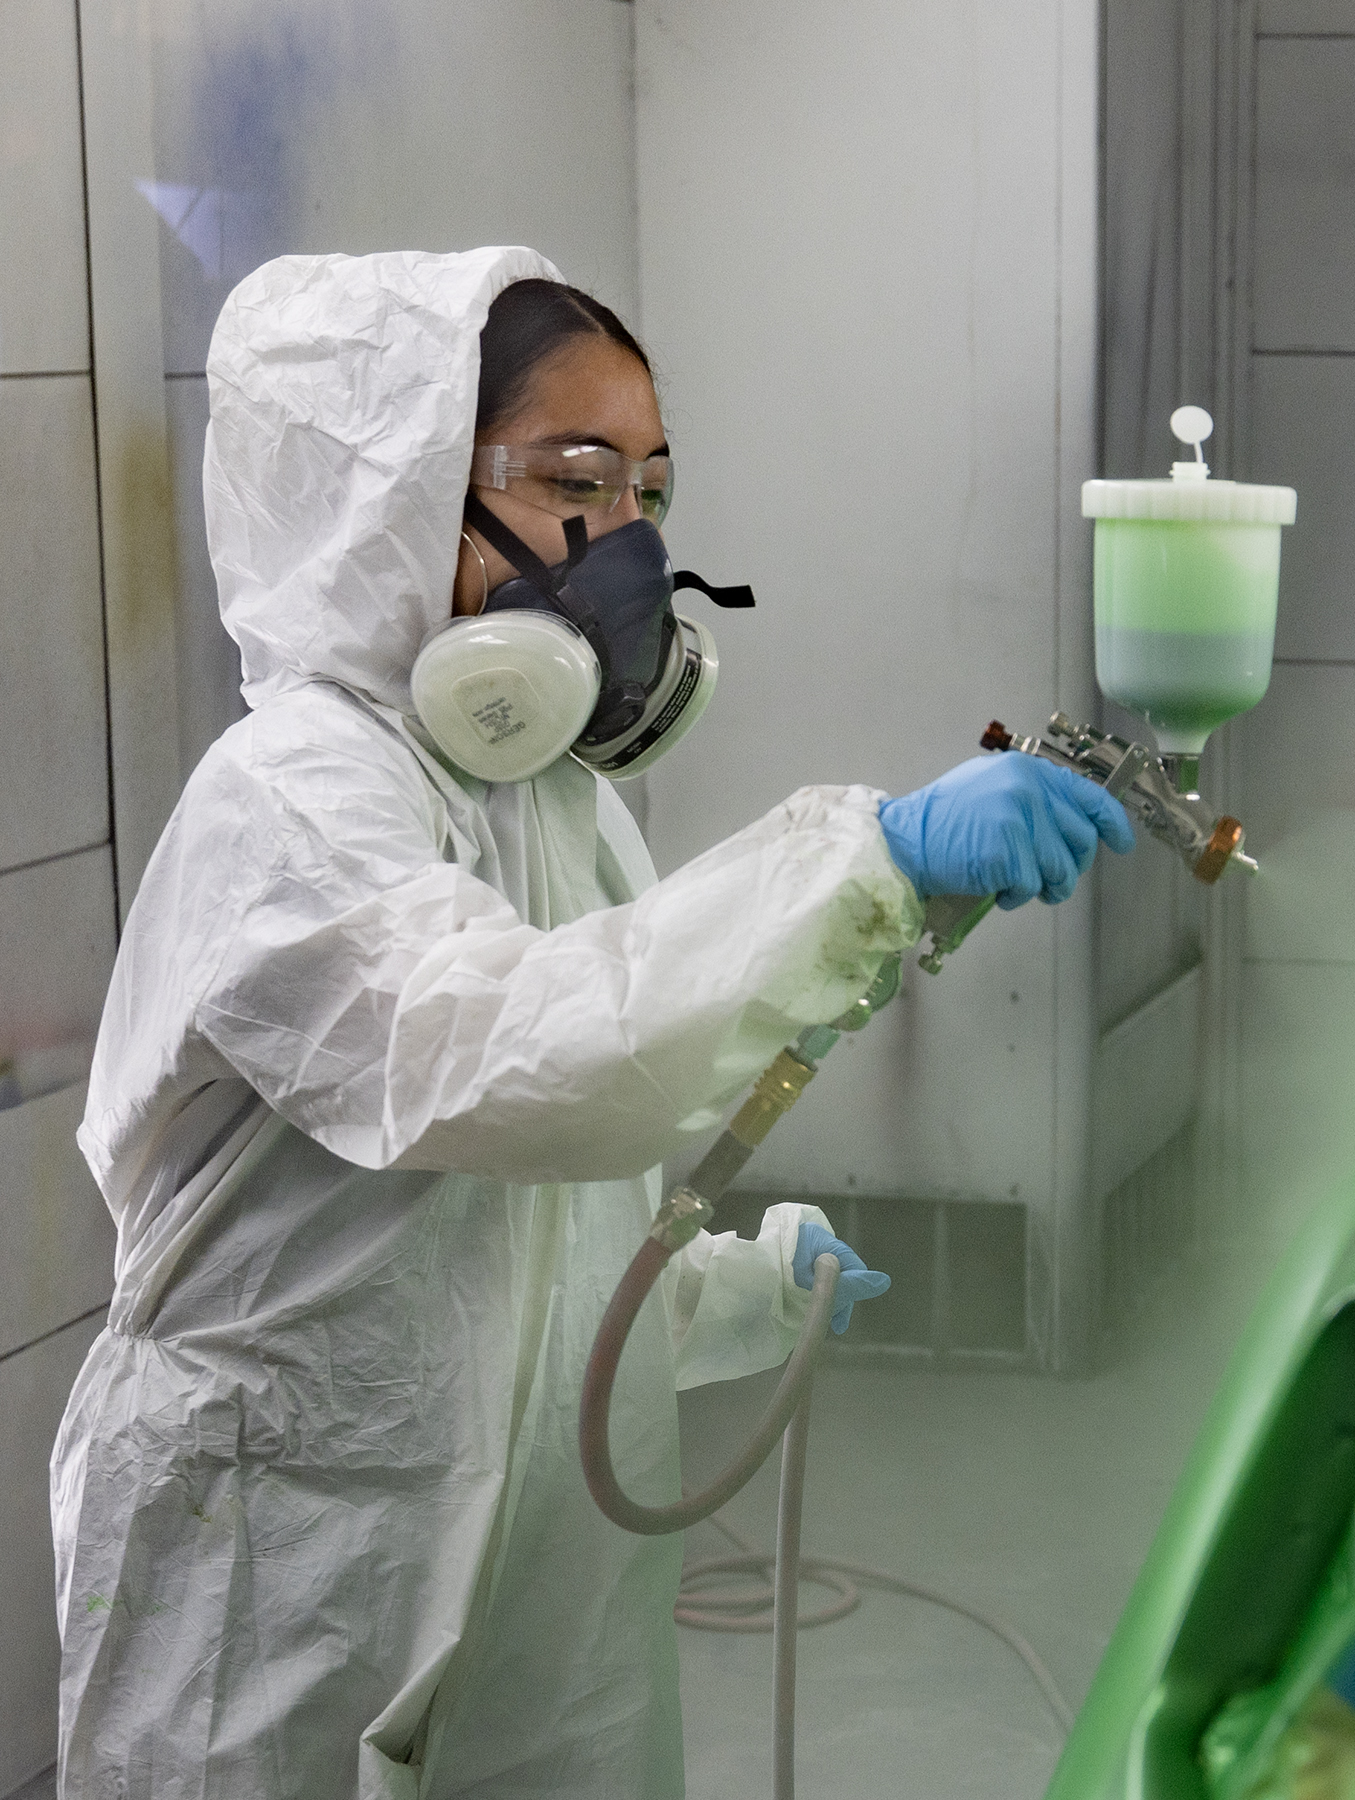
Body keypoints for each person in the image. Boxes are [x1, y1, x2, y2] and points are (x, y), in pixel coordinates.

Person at [50, 246, 1132, 1798]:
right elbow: (521, 1055)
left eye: (650, 495)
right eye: (577, 482)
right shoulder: (291, 801)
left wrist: (737, 1287)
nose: (625, 548)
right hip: (280, 1573)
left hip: (533, 1610)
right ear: (392, 491)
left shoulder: (553, 801)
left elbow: (523, 1240)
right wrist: (870, 860)